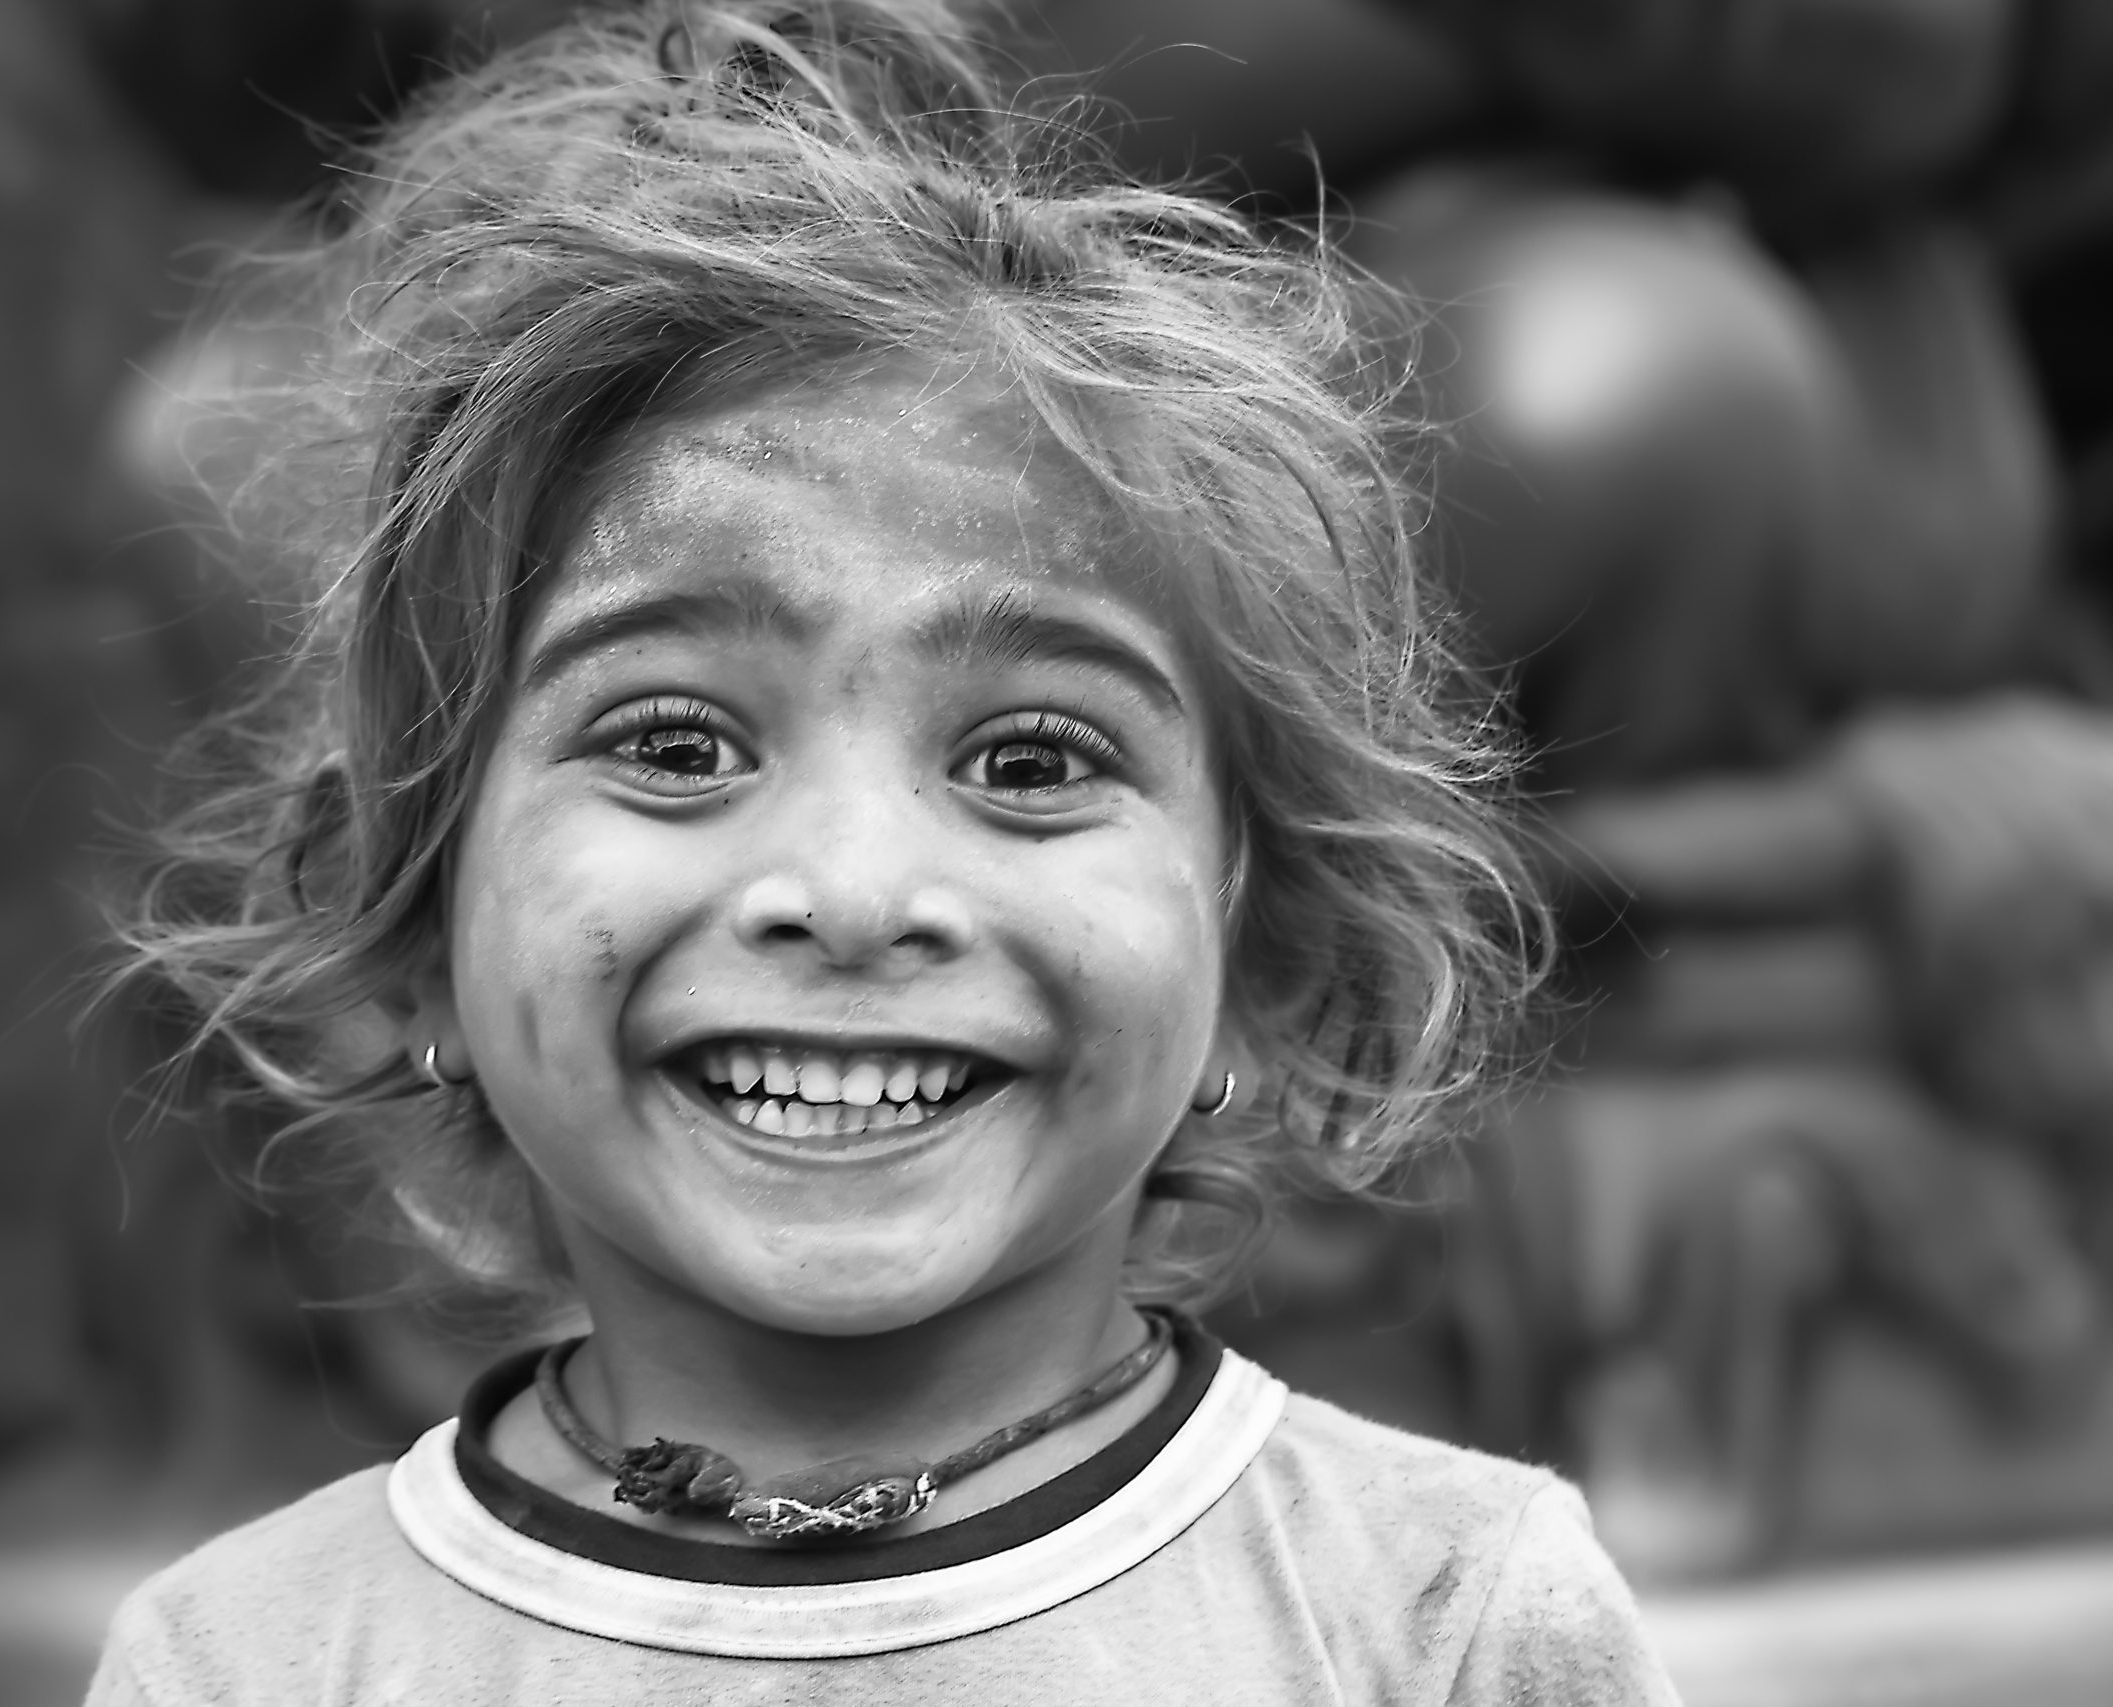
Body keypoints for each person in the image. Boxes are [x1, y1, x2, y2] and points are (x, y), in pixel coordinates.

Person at [87, 2, 1677, 1699]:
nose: (850, 896)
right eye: (675, 745)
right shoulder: (247, 1664)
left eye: (1031, 759)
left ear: (1265, 957)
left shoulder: (1442, 1623)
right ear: (409, 927)